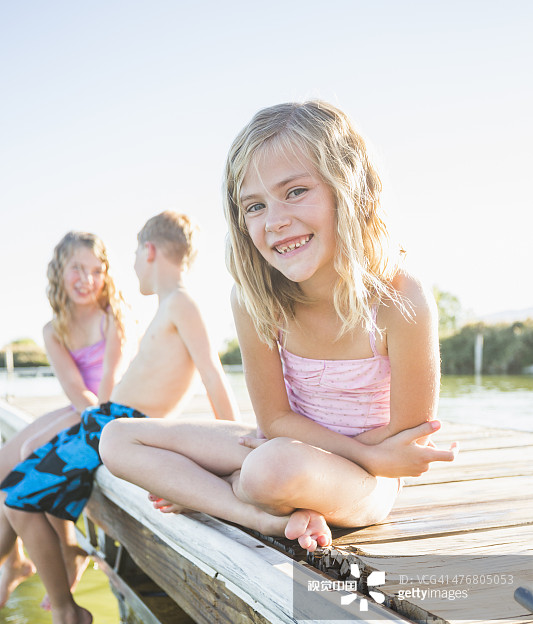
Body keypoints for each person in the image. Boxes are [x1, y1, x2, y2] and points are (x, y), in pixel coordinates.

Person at [100, 100, 457, 554]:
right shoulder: (255, 300)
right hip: (285, 443)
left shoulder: (399, 298)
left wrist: (364, 457)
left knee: (270, 470)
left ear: (348, 188)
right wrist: (354, 449)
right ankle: (256, 515)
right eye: (254, 205)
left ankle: (224, 489)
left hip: (366, 478)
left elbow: (406, 442)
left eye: (295, 192)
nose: (274, 221)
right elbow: (273, 419)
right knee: (116, 438)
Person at [1, 210, 239, 624]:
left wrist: (234, 450)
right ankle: (59, 596)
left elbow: (212, 372)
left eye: (133, 254)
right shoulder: (168, 306)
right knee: (16, 494)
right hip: (108, 422)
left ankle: (68, 615)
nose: (131, 265)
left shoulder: (181, 304)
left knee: (17, 499)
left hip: (119, 424)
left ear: (149, 251)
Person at [0, 231, 126, 608]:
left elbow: (109, 389)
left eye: (95, 270)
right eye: (77, 268)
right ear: (60, 271)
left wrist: (91, 419)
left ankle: (69, 551)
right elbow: (75, 390)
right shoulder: (53, 329)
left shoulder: (113, 318)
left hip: (112, 410)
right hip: (80, 405)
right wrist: (84, 413)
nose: (86, 279)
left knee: (29, 448)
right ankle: (18, 558)